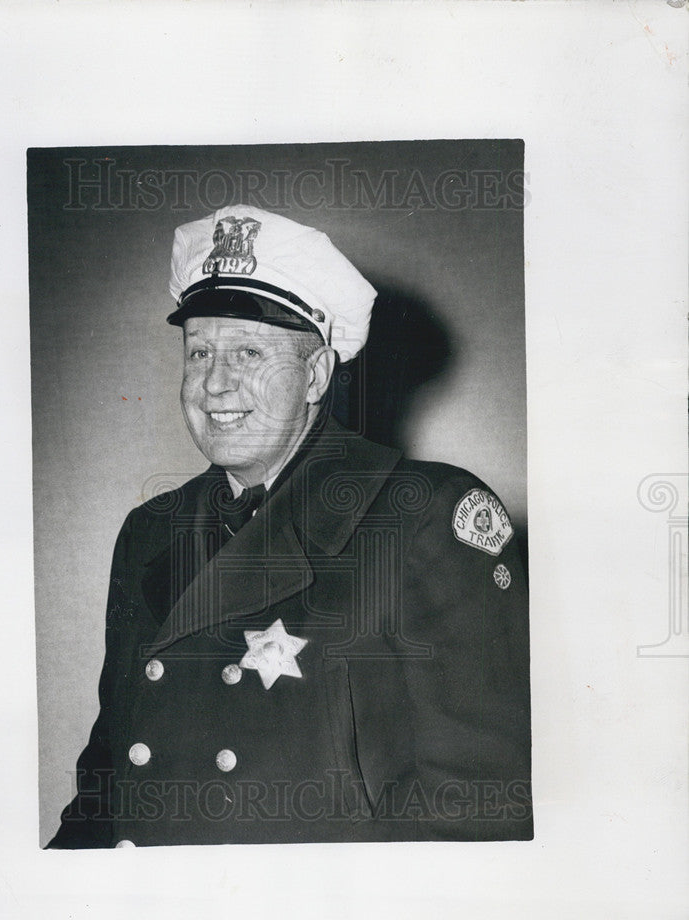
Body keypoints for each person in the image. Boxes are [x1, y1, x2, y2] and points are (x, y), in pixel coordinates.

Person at [47, 204, 532, 849]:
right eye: (198, 353)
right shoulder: (151, 531)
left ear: (315, 375)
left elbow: (477, 802)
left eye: (250, 351)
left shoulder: (424, 515)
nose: (215, 383)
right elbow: (109, 778)